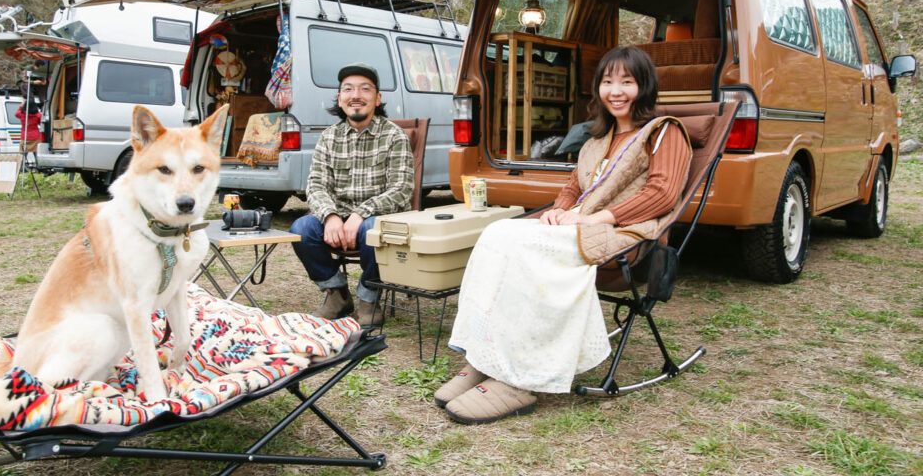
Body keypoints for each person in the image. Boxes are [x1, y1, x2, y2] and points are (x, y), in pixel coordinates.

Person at [434, 46, 692, 424]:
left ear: (645, 87)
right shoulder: (595, 140)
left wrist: (600, 218)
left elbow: (662, 195)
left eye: (627, 82)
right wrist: (558, 210)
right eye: (607, 82)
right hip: (579, 223)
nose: (616, 91)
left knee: (527, 251)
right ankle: (484, 356)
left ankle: (519, 377)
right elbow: (574, 188)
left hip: (629, 232)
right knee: (497, 235)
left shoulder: (664, 133)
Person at [289, 63, 413, 327]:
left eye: (365, 89)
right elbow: (316, 186)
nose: (356, 95)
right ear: (340, 98)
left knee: (373, 228)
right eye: (348, 89)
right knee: (301, 228)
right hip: (339, 218)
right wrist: (331, 215)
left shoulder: (394, 136)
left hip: (377, 219)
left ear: (377, 99)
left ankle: (369, 299)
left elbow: (402, 188)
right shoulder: (329, 137)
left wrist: (361, 213)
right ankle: (337, 294)